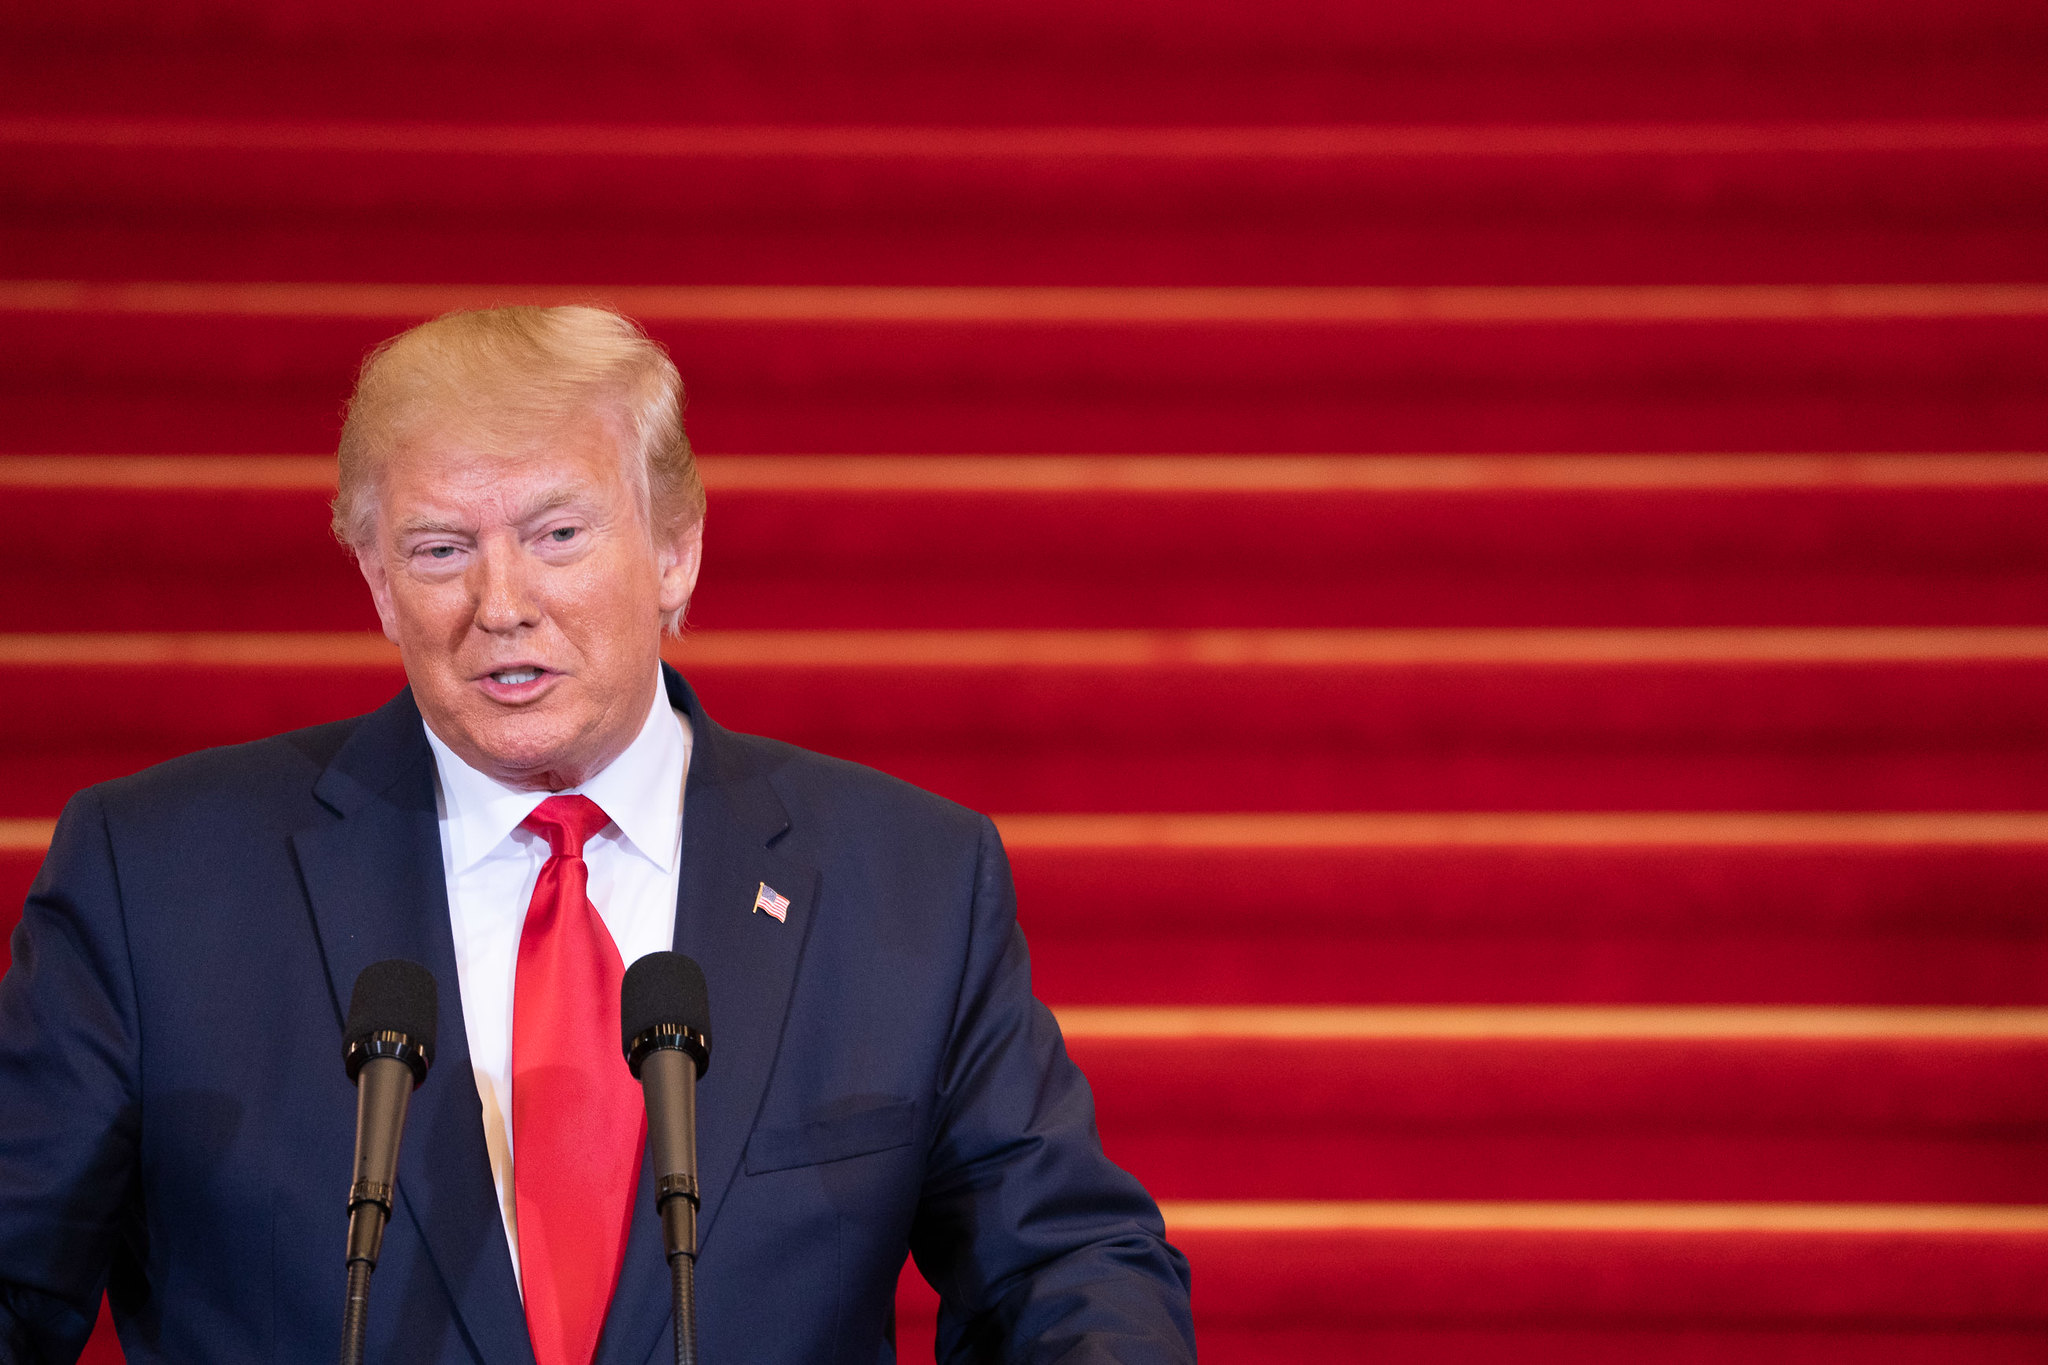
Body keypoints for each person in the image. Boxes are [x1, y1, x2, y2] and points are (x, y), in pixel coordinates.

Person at [0, 306, 1194, 1365]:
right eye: (438, 550)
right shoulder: (154, 880)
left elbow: (1062, 1264)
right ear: (374, 581)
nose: (501, 602)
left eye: (558, 534)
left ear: (674, 552)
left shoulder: (905, 880)